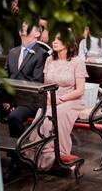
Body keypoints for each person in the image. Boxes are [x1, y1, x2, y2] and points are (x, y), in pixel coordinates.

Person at [34, 29, 87, 170]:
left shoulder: (77, 62)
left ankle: (60, 154)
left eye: (59, 39)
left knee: (55, 116)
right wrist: (49, 98)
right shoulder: (49, 60)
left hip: (71, 100)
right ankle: (41, 153)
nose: (54, 42)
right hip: (50, 99)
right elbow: (45, 85)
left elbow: (80, 90)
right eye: (54, 39)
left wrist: (61, 99)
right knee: (41, 116)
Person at [0, 20, 49, 139]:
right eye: (23, 25)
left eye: (28, 26)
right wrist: (6, 99)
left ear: (37, 34)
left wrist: (15, 102)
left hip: (30, 100)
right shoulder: (13, 52)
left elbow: (36, 83)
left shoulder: (42, 54)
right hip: (9, 99)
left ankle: (22, 147)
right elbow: (5, 78)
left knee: (14, 117)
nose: (24, 27)